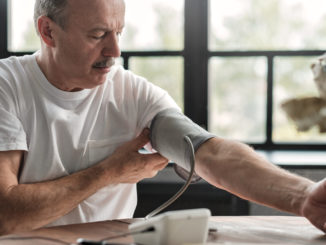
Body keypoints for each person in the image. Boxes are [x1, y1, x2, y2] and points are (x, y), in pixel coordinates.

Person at [0, 0, 325, 236]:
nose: (115, 51)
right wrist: (110, 172)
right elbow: (5, 214)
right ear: (48, 31)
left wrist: (304, 197)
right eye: (98, 35)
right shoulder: (7, 88)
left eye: (119, 32)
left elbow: (210, 153)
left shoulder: (132, 93)